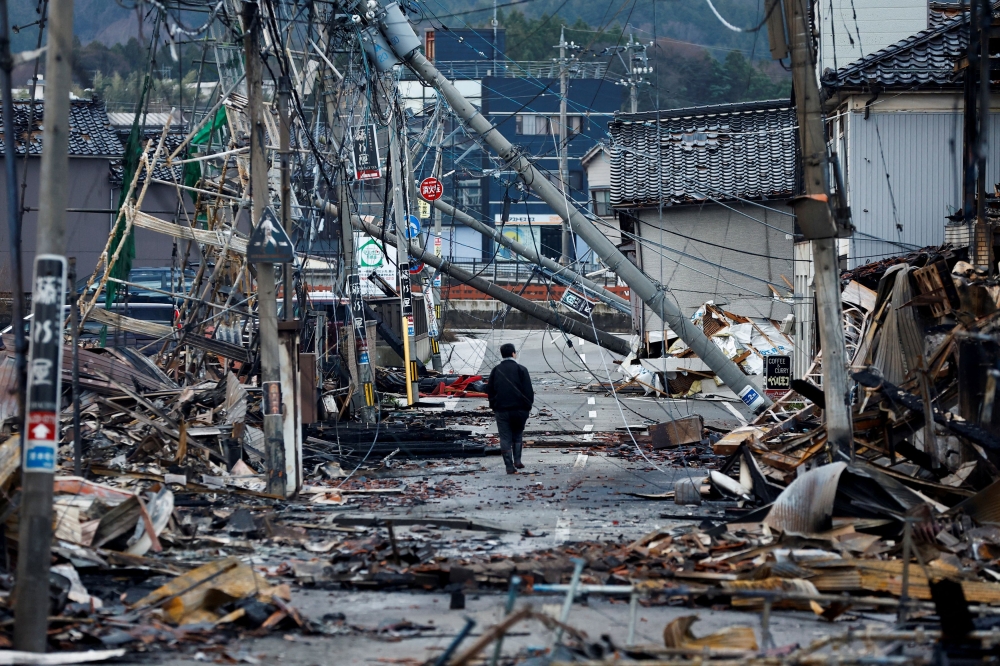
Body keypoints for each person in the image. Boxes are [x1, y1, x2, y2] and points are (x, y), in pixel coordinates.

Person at [487, 343, 534, 474]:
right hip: (520, 410)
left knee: (505, 437)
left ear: (502, 354)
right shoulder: (522, 370)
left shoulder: (496, 370)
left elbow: (489, 390)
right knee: (517, 434)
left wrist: (494, 406)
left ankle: (509, 466)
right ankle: (517, 461)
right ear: (514, 353)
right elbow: (529, 391)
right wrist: (527, 407)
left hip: (502, 410)